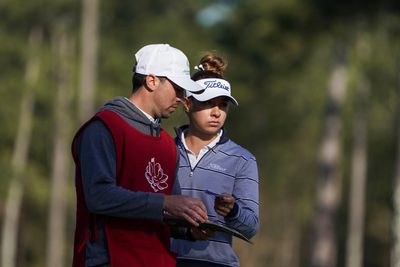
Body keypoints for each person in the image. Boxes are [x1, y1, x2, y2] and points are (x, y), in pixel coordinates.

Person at [71, 44, 209, 267]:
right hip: (109, 259)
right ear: (152, 81)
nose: (182, 99)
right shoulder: (103, 128)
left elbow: (166, 211)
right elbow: (98, 196)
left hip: (158, 259)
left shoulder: (167, 143)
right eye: (177, 88)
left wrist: (189, 229)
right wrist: (166, 202)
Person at [171, 54, 260, 267]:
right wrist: (186, 230)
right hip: (166, 260)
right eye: (207, 103)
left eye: (223, 105)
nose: (216, 112)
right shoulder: (164, 150)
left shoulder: (242, 159)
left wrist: (233, 211)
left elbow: (251, 226)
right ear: (187, 104)